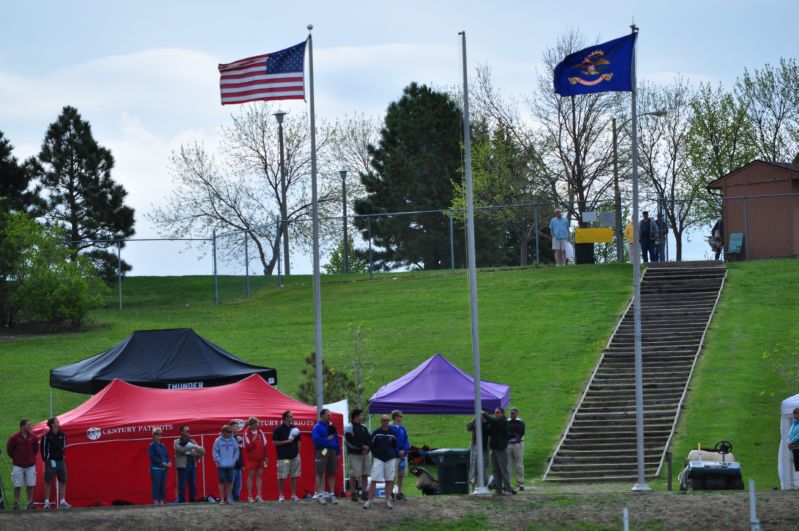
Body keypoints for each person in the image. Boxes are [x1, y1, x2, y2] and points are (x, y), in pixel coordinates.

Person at [363, 415, 398, 510]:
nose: (386, 422)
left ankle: (387, 500)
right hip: (379, 459)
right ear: (381, 421)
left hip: (390, 459)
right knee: (374, 480)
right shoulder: (376, 433)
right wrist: (375, 454)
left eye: (387, 420)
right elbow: (371, 445)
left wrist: (393, 454)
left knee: (389, 480)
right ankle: (369, 500)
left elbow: (395, 445)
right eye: (384, 420)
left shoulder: (393, 433)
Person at [7, 419, 39, 510]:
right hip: (18, 465)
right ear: (22, 426)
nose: (30, 426)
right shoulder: (14, 437)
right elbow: (10, 450)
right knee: (17, 484)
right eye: (28, 425)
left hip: (30, 465)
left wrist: (31, 458)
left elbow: (35, 449)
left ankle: (29, 502)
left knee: (30, 484)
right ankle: (16, 503)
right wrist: (16, 458)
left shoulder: (33, 437)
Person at [311, 408, 340, 505]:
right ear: (322, 416)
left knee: (332, 473)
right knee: (319, 473)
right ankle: (319, 495)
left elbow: (336, 439)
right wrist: (327, 439)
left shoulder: (332, 426)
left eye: (330, 414)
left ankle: (332, 494)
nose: (330, 416)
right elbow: (316, 441)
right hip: (322, 451)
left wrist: (338, 452)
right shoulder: (317, 427)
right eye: (328, 414)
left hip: (332, 451)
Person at [272, 410, 302, 502]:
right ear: (286, 418)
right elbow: (274, 443)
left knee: (294, 476)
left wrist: (298, 454)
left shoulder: (295, 429)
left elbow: (298, 442)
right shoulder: (278, 429)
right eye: (291, 416)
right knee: (281, 476)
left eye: (292, 416)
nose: (292, 418)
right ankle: (281, 496)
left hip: (294, 456)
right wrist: (286, 441)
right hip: (283, 457)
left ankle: (293, 495)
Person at [41, 417, 71, 509]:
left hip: (60, 460)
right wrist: (47, 459)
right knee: (48, 481)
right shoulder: (46, 436)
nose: (58, 422)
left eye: (58, 421)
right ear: (52, 425)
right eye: (56, 422)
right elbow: (43, 449)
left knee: (63, 480)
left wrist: (62, 456)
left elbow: (64, 446)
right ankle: (46, 502)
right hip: (51, 461)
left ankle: (62, 501)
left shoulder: (62, 435)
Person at [484, 407, 513, 496]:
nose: (496, 414)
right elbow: (487, 431)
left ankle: (508, 489)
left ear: (502, 413)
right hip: (494, 449)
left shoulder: (503, 422)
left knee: (503, 470)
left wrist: (484, 415)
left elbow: (494, 422)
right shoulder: (495, 423)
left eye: (497, 412)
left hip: (501, 450)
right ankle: (498, 489)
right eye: (495, 412)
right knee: (496, 470)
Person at [344, 408, 371, 503]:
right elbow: (349, 441)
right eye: (361, 415)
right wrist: (361, 447)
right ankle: (353, 493)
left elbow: (369, 439)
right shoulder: (349, 427)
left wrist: (368, 447)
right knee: (353, 474)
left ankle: (364, 492)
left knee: (365, 473)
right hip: (354, 454)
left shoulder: (364, 427)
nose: (362, 417)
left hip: (365, 454)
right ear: (356, 416)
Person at [174, 424, 202, 503]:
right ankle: (182, 502)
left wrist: (197, 454)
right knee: (182, 485)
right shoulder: (177, 441)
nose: (188, 432)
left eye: (189, 431)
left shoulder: (192, 441)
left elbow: (201, 451)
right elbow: (179, 450)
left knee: (193, 484)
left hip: (192, 465)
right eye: (186, 431)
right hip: (183, 466)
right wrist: (191, 448)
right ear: (181, 432)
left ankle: (192, 501)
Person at [242, 417, 268, 503]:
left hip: (260, 458)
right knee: (251, 476)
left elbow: (265, 444)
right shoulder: (246, 433)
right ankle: (250, 496)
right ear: (252, 424)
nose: (258, 425)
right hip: (252, 459)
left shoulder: (260, 432)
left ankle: (259, 496)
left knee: (260, 476)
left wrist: (266, 457)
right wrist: (253, 440)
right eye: (257, 423)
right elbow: (247, 447)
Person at [213, 424, 240, 504]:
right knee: (221, 481)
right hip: (221, 465)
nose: (230, 433)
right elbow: (215, 452)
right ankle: (222, 499)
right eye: (229, 432)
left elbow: (236, 451)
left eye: (231, 432)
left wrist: (234, 459)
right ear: (223, 432)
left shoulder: (233, 440)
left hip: (231, 464)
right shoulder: (218, 440)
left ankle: (228, 497)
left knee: (230, 481)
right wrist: (219, 461)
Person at [467, 408, 489, 491]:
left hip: (484, 447)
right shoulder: (475, 420)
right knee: (474, 466)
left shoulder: (488, 421)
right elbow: (468, 428)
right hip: (475, 445)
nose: (482, 415)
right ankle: (473, 485)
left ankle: (484, 484)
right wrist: (475, 419)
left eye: (484, 413)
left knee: (484, 465)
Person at [390, 410, 410, 501]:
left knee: (401, 474)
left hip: (403, 455)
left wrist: (405, 450)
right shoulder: (390, 428)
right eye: (400, 416)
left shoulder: (402, 428)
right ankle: (390, 493)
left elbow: (406, 440)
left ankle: (399, 492)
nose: (401, 418)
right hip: (394, 455)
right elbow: (391, 442)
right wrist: (398, 451)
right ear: (395, 417)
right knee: (393, 475)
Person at [148, 428, 171, 505]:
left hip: (164, 469)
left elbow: (167, 455)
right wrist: (162, 463)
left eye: (160, 434)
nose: (159, 435)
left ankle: (161, 501)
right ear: (153, 435)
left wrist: (169, 462)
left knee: (162, 486)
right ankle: (155, 501)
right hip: (156, 469)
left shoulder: (163, 445)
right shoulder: (151, 445)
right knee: (156, 485)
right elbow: (152, 457)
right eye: (157, 434)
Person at [507, 408, 526, 491]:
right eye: (511, 413)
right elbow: (507, 433)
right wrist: (512, 434)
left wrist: (513, 435)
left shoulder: (520, 422)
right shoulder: (507, 422)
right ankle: (508, 483)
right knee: (508, 465)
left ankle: (520, 483)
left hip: (518, 443)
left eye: (514, 413)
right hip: (509, 443)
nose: (512, 414)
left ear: (517, 414)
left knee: (519, 464)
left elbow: (520, 433)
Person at [228, 420, 245, 502]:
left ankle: (236, 499)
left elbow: (240, 453)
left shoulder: (239, 438)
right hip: (230, 465)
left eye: (238, 427)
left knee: (238, 485)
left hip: (238, 465)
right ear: (230, 427)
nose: (237, 428)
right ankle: (230, 498)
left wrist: (242, 464)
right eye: (236, 426)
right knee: (231, 483)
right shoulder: (226, 438)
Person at [788, 407, 799, 474]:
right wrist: (789, 441)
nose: (793, 415)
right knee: (797, 465)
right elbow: (790, 433)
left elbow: (798, 435)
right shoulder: (794, 423)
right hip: (794, 447)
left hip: (797, 446)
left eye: (795, 414)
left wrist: (791, 441)